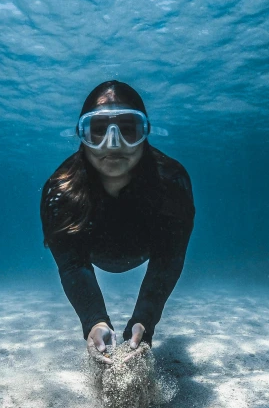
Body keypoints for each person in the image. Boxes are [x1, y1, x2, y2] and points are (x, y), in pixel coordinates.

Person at [40, 81, 195, 364]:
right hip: (93, 249)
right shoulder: (59, 192)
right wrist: (94, 322)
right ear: (82, 135)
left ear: (145, 132)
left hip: (147, 245)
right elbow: (73, 264)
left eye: (128, 128)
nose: (113, 143)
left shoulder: (173, 184)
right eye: (98, 130)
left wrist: (144, 322)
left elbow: (168, 258)